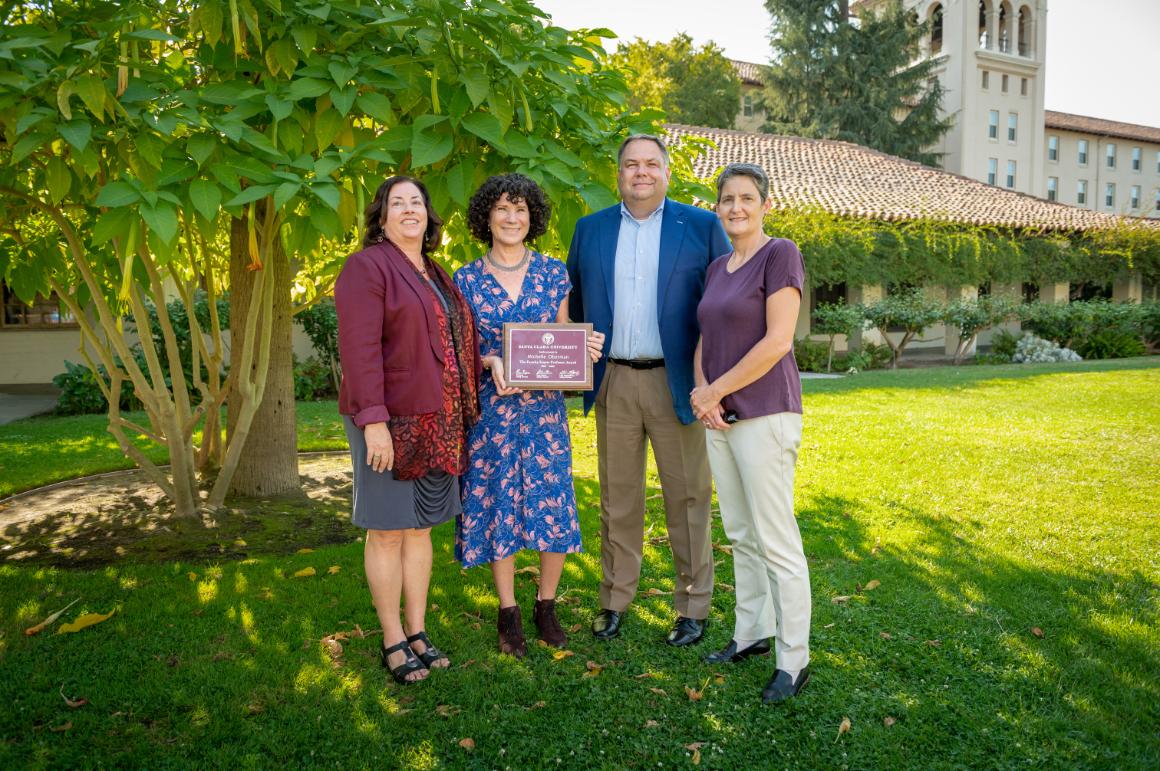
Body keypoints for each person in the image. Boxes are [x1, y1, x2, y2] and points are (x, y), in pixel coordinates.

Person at [567, 134, 731, 646]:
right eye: (631, 165)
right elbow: (570, 306)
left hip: (678, 381)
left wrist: (714, 380)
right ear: (618, 173)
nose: (641, 172)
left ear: (667, 172)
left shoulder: (703, 227)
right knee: (618, 498)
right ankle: (614, 599)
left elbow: (726, 304)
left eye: (651, 164)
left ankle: (693, 606)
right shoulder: (589, 230)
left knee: (688, 496)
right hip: (612, 379)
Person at [334, 176, 481, 685]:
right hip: (390, 422)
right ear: (381, 217)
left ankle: (418, 632)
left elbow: (448, 340)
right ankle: (392, 638)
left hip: (437, 423)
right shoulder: (367, 267)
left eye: (416, 202)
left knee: (420, 529)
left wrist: (486, 361)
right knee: (388, 530)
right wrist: (373, 423)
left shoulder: (435, 272)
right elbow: (359, 350)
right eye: (397, 203)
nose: (408, 209)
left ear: (429, 214)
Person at [454, 174, 605, 657]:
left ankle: (546, 604)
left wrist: (586, 348)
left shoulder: (554, 273)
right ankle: (507, 611)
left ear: (532, 217)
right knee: (499, 503)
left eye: (520, 209)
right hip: (493, 414)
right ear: (487, 217)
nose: (512, 217)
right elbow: (460, 350)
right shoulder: (466, 279)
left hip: (543, 414)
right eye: (501, 208)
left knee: (551, 503)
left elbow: (562, 335)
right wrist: (490, 360)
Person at [690, 163, 811, 704]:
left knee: (776, 539)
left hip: (764, 415)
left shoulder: (779, 253)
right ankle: (750, 635)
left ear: (764, 204)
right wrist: (702, 394)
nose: (736, 207)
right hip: (719, 418)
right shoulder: (718, 266)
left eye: (746, 198)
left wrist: (715, 392)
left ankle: (794, 659)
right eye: (727, 199)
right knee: (740, 533)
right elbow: (705, 338)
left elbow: (777, 342)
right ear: (718, 207)